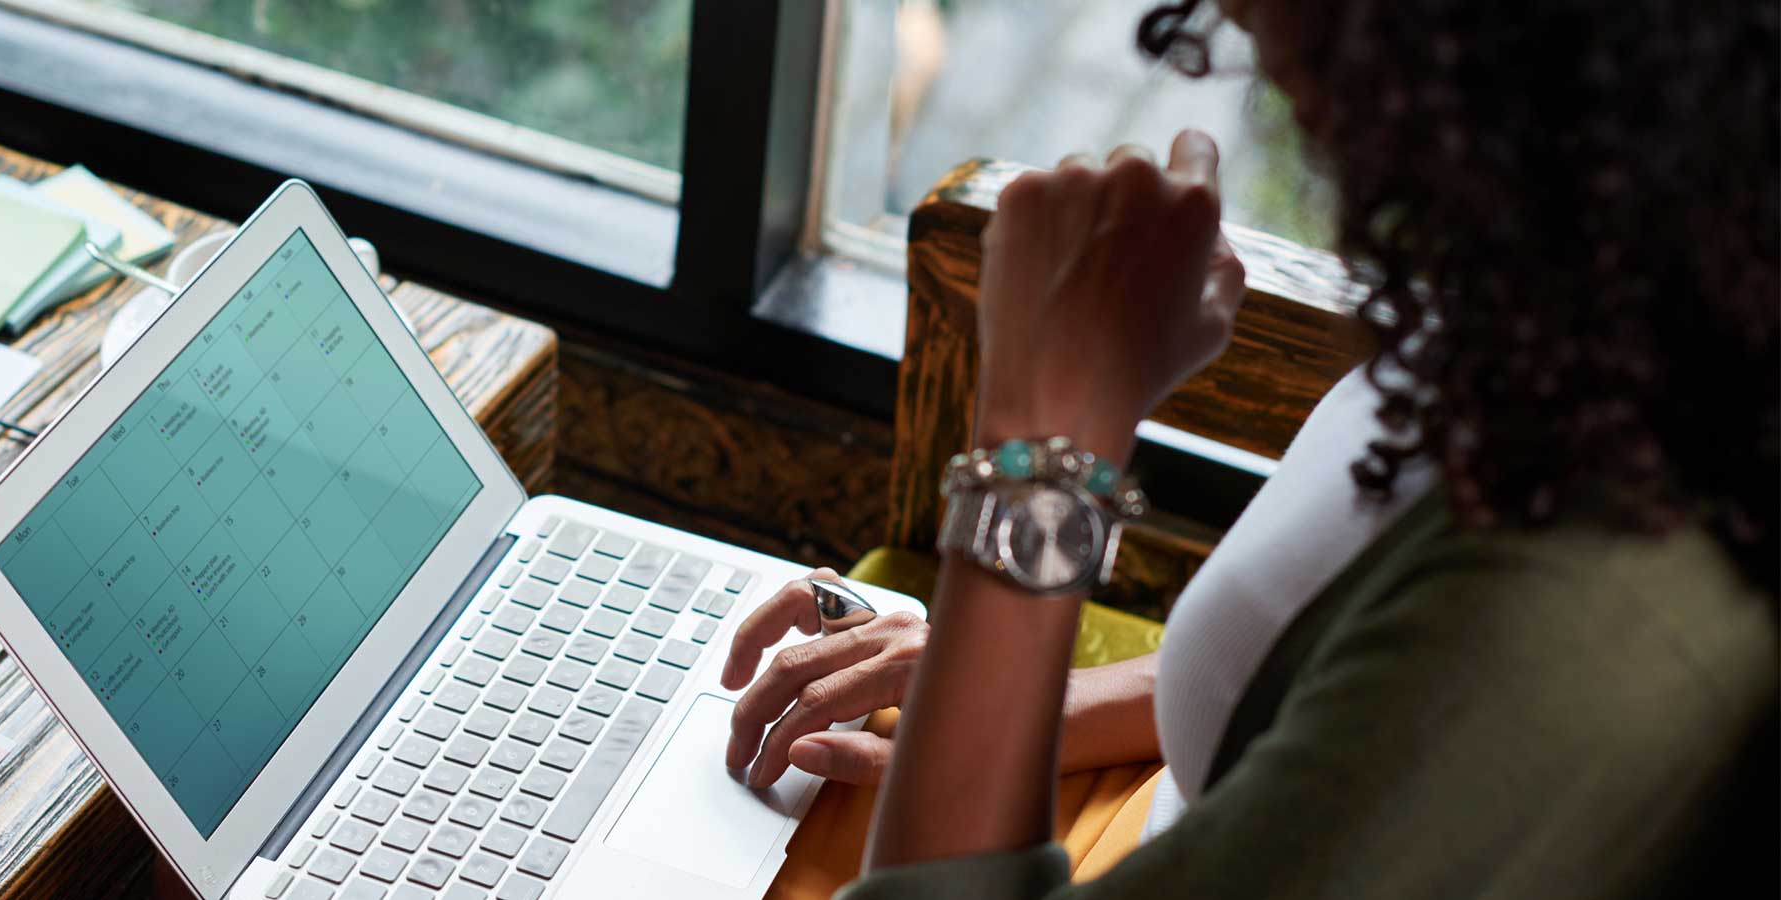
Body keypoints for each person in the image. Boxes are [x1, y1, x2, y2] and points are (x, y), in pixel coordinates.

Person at [722, 0, 1778, 896]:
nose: (1234, 31)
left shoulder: (1575, 619)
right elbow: (1353, 694)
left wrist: (1045, 444)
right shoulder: (1617, 316)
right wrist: (1006, 694)